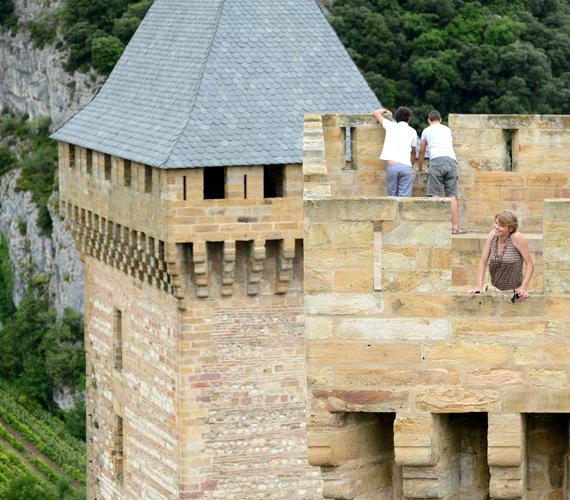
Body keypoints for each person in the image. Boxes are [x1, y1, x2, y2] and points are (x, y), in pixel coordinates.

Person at [468, 210, 534, 302]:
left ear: (510, 228)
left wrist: (523, 288)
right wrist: (479, 286)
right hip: (493, 290)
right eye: (496, 223)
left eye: (501, 225)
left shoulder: (517, 238)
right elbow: (483, 262)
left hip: (513, 292)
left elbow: (530, 265)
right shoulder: (492, 235)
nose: (496, 227)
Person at [418, 110, 465, 234]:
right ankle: (455, 227)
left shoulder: (426, 131)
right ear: (440, 119)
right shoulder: (447, 129)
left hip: (437, 161)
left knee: (434, 195)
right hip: (451, 161)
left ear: (429, 120)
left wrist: (420, 167)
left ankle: (437, 228)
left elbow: (422, 150)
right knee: (452, 196)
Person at [372, 106, 418, 197]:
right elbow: (413, 151)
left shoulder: (390, 125)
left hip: (392, 165)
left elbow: (376, 113)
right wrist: (412, 163)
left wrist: (384, 110)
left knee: (391, 198)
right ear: (409, 119)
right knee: (404, 199)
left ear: (396, 118)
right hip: (406, 166)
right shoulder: (413, 131)